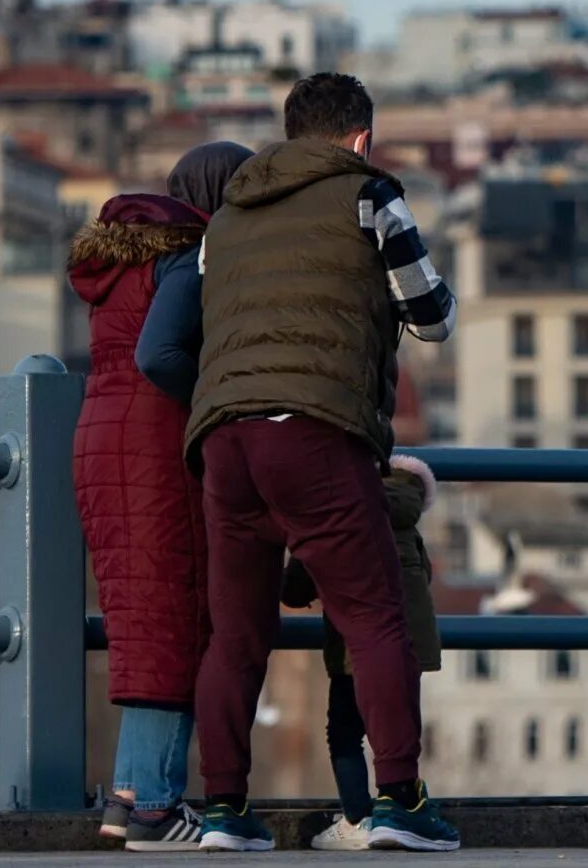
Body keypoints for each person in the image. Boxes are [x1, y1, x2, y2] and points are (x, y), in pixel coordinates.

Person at [139, 73, 460, 854]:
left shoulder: (228, 220)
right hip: (314, 428)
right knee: (374, 614)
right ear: (361, 138)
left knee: (235, 635)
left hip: (223, 439)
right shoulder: (368, 195)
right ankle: (400, 802)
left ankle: (221, 812)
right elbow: (433, 318)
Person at [73, 142, 250, 851]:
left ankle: (127, 796)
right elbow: (158, 354)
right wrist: (213, 402)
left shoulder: (124, 262)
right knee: (172, 619)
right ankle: (152, 804)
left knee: (148, 616)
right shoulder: (186, 256)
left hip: (105, 436)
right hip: (155, 442)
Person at [290, 455, 441, 848]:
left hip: (352, 647)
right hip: (405, 650)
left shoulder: (339, 506)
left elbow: (296, 585)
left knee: (344, 733)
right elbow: (425, 576)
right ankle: (400, 807)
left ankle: (358, 818)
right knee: (398, 728)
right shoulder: (408, 524)